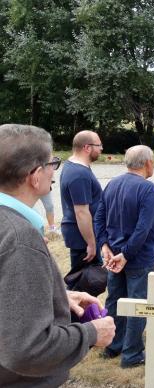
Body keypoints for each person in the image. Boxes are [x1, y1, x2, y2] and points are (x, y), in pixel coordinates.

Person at [0, 124, 115, 386]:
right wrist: (91, 333)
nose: (55, 171)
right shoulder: (20, 239)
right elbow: (26, 350)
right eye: (53, 162)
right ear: (35, 175)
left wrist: (57, 295)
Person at [94, 145, 154, 368]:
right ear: (148, 163)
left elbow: (99, 218)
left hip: (115, 256)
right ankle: (131, 354)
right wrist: (124, 254)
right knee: (137, 304)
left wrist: (104, 245)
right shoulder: (148, 189)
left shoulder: (112, 184)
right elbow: (143, 229)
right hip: (136, 258)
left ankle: (113, 346)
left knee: (115, 300)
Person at [60, 130, 104, 272]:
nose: (101, 149)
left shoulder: (74, 167)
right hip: (82, 237)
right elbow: (81, 212)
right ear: (87, 147)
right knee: (83, 282)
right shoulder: (79, 174)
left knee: (86, 282)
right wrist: (91, 243)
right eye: (99, 145)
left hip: (81, 234)